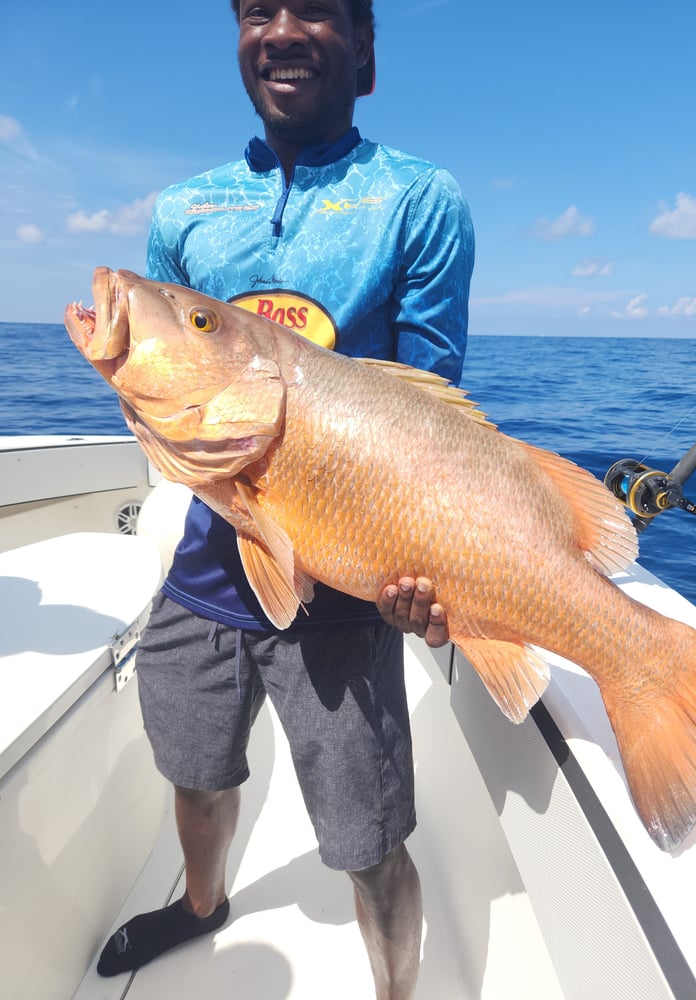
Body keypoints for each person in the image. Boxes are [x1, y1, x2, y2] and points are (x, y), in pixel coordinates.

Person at [96, 2, 474, 997]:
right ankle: (201, 900)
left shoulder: (417, 201)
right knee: (196, 768)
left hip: (349, 590)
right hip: (209, 566)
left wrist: (425, 570)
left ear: (367, 55)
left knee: (367, 837)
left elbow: (437, 414)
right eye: (258, 10)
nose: (282, 28)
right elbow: (173, 396)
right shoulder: (184, 211)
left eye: (316, 9)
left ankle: (396, 987)